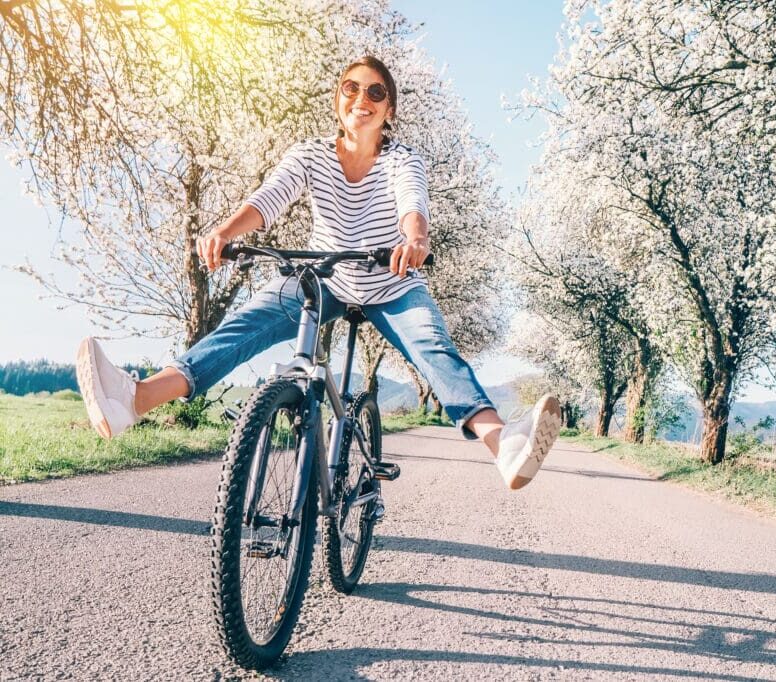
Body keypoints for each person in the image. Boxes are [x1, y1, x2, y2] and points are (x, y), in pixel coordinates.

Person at [75, 55, 560, 490]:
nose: (362, 99)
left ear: (388, 109)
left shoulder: (401, 160)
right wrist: (224, 231)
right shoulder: (309, 155)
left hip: (391, 283)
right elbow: (268, 199)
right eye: (351, 88)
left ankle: (504, 445)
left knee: (434, 349)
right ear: (337, 100)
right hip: (325, 278)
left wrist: (415, 240)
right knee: (244, 326)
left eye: (375, 92)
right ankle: (135, 400)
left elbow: (412, 203)